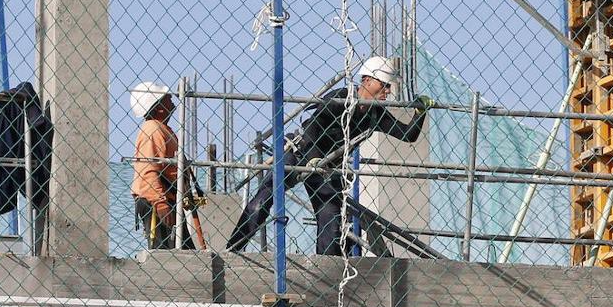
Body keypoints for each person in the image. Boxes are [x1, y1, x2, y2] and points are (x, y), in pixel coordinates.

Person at [226, 56, 432, 256]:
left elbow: (407, 134)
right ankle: (232, 251)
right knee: (263, 200)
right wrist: (314, 158)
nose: (387, 91)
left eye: (389, 86)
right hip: (299, 153)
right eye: (384, 84)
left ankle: (325, 272)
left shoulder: (375, 114)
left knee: (331, 221)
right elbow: (314, 127)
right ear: (367, 80)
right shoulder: (342, 98)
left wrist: (420, 112)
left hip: (325, 168)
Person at [130, 82, 193, 250]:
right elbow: (148, 170)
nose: (171, 97)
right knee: (166, 257)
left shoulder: (164, 130)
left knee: (184, 253)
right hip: (158, 202)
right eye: (165, 97)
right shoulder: (153, 130)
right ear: (157, 107)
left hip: (168, 200)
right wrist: (160, 204)